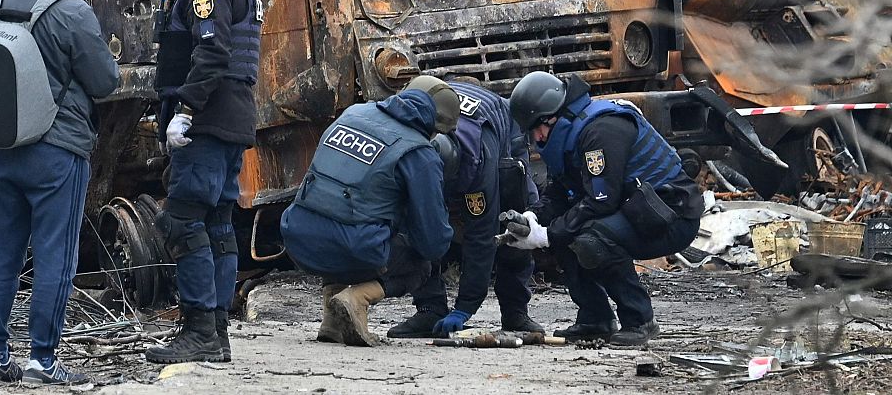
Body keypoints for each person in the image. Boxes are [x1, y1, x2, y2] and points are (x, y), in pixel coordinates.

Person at [0, 0, 120, 386]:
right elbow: (104, 81)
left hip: (3, 146)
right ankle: (42, 361)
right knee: (56, 254)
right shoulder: (71, 9)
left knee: (2, 253)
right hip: (57, 150)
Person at [143, 0, 262, 365]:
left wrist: (186, 110)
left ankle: (199, 331)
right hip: (231, 117)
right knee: (217, 224)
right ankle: (216, 332)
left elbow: (211, 52)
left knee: (183, 219)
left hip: (207, 122)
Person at [505, 71, 704, 347]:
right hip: (638, 211)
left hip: (672, 214)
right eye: (531, 130)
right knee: (567, 232)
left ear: (556, 115)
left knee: (590, 238)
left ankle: (640, 320)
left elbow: (601, 201)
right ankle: (595, 319)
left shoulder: (600, 131)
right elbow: (562, 192)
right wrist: (532, 218)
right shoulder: (569, 135)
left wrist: (547, 235)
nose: (537, 137)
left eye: (539, 126)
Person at [278, 77, 459, 346]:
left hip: (297, 239)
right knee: (420, 263)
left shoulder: (353, 113)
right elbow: (433, 242)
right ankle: (357, 297)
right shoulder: (420, 153)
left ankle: (332, 317)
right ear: (436, 126)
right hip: (351, 247)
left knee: (342, 215)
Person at [387, 81, 542, 339]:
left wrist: (465, 307)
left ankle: (515, 311)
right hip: (442, 105)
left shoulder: (480, 160)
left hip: (500, 133)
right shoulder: (409, 145)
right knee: (415, 222)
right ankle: (430, 308)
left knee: (514, 223)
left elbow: (482, 235)